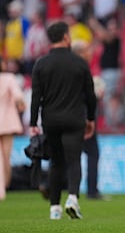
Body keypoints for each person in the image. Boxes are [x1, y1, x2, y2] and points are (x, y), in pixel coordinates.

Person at [29, 21, 96, 220]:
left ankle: (54, 208)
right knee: (73, 160)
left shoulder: (41, 64)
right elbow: (90, 95)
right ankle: (73, 198)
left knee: (56, 162)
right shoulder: (79, 63)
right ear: (66, 37)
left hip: (50, 120)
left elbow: (36, 97)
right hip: (75, 118)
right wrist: (91, 118)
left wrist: (33, 123)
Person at [71, 40, 108, 200]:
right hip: (84, 118)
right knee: (92, 153)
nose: (90, 52)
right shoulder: (83, 69)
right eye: (86, 50)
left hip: (67, 116)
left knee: (68, 155)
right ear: (79, 53)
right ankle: (91, 191)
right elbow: (86, 96)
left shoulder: (68, 70)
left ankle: (55, 187)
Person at [0, 56, 25, 200]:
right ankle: (4, 187)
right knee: (5, 157)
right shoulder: (9, 78)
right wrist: (21, 105)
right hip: (8, 122)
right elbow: (18, 96)